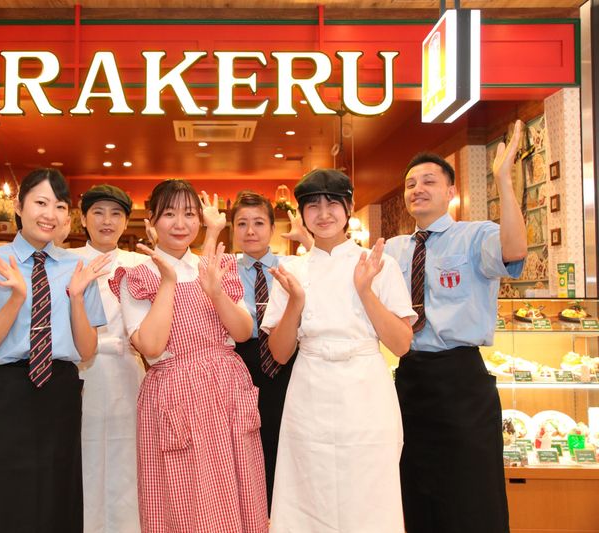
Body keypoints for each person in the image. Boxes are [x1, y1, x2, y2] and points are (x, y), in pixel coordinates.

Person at [384, 120, 527, 533]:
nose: (418, 189)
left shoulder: (475, 235)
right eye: (411, 184)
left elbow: (515, 248)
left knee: (471, 494)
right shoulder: (393, 249)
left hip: (462, 379)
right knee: (414, 491)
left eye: (429, 181)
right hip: (409, 380)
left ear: (450, 191)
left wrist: (503, 179)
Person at [108, 179, 269, 533]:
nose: (180, 224)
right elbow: (151, 347)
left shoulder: (216, 266)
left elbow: (243, 332)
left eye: (189, 214)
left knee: (238, 489)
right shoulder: (137, 276)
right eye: (169, 214)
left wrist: (215, 292)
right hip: (174, 394)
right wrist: (167, 282)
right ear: (151, 220)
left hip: (226, 388)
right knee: (185, 499)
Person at [0, 168, 109, 533]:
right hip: (4, 390)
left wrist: (76, 297)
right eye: (40, 202)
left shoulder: (78, 268)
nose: (50, 214)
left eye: (60, 206)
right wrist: (16, 299)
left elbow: (87, 350)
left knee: (56, 494)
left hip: (59, 390)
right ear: (18, 206)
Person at [262, 169, 416, 533]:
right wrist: (296, 301)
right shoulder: (291, 269)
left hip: (365, 390)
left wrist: (365, 291)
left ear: (348, 207)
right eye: (312, 205)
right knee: (307, 489)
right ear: (302, 213)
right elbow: (280, 354)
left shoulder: (379, 263)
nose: (323, 213)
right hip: (310, 389)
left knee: (369, 491)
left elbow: (401, 344)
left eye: (332, 203)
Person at [70, 184, 147, 533]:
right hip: (79, 374)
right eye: (98, 212)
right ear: (83, 218)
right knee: (83, 457)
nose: (107, 221)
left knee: (127, 458)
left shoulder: (140, 264)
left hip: (127, 373)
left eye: (116, 214)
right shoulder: (67, 262)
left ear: (126, 221)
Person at [226, 190, 305, 512]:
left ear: (273, 227)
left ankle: (283, 514)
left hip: (287, 362)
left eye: (258, 223)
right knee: (245, 445)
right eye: (242, 223)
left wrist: (307, 238)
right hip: (241, 362)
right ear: (233, 229)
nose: (250, 231)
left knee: (285, 441)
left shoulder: (293, 267)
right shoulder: (225, 269)